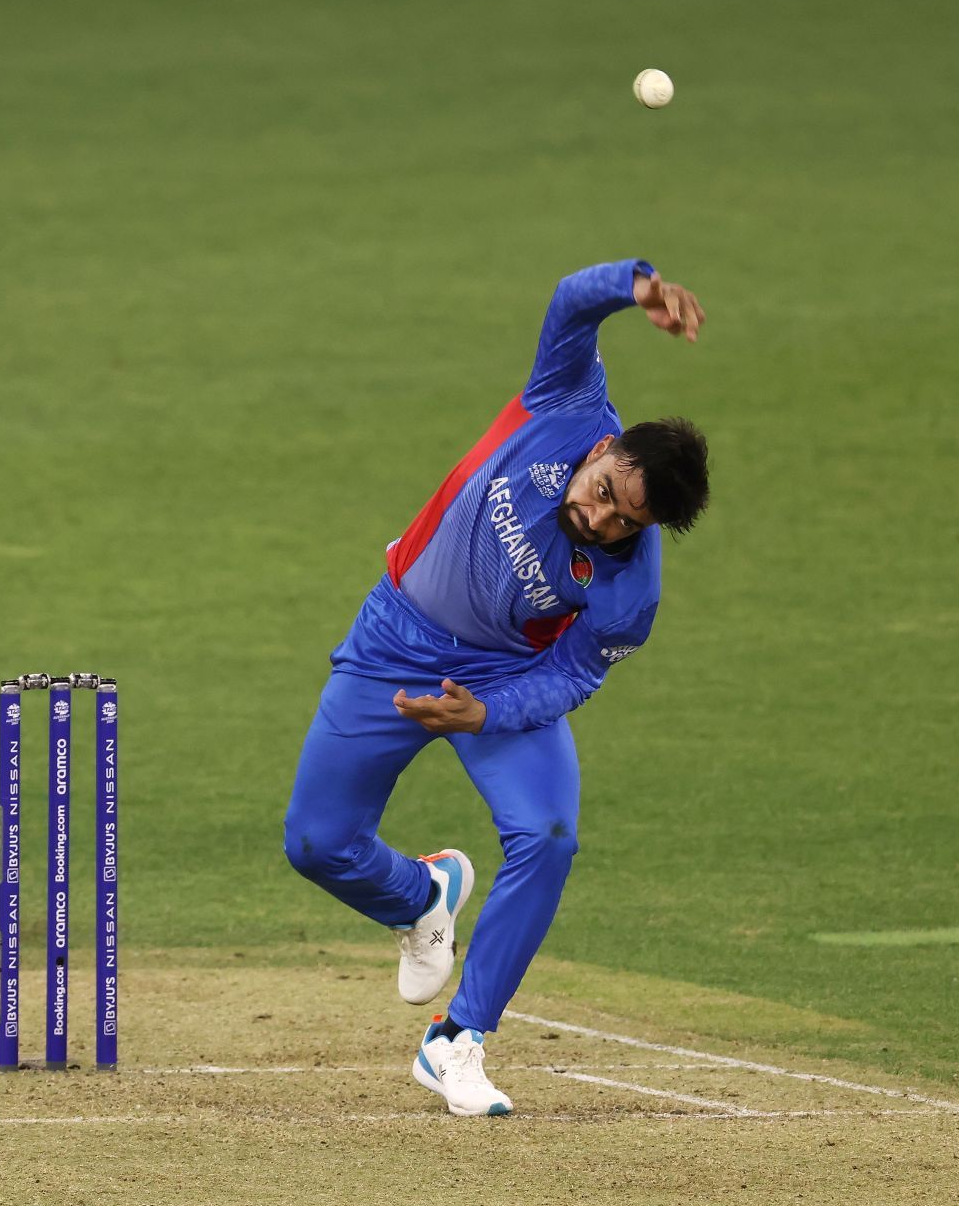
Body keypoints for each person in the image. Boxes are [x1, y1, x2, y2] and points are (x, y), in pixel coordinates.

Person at [283, 259, 710, 1117]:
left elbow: (573, 673)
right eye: (602, 497)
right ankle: (422, 896)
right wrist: (638, 284)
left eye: (628, 522)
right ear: (601, 449)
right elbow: (567, 304)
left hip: (503, 680)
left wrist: (488, 712)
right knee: (316, 844)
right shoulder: (566, 403)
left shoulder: (631, 591)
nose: (601, 521)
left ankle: (458, 1040)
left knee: (548, 837)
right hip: (395, 640)